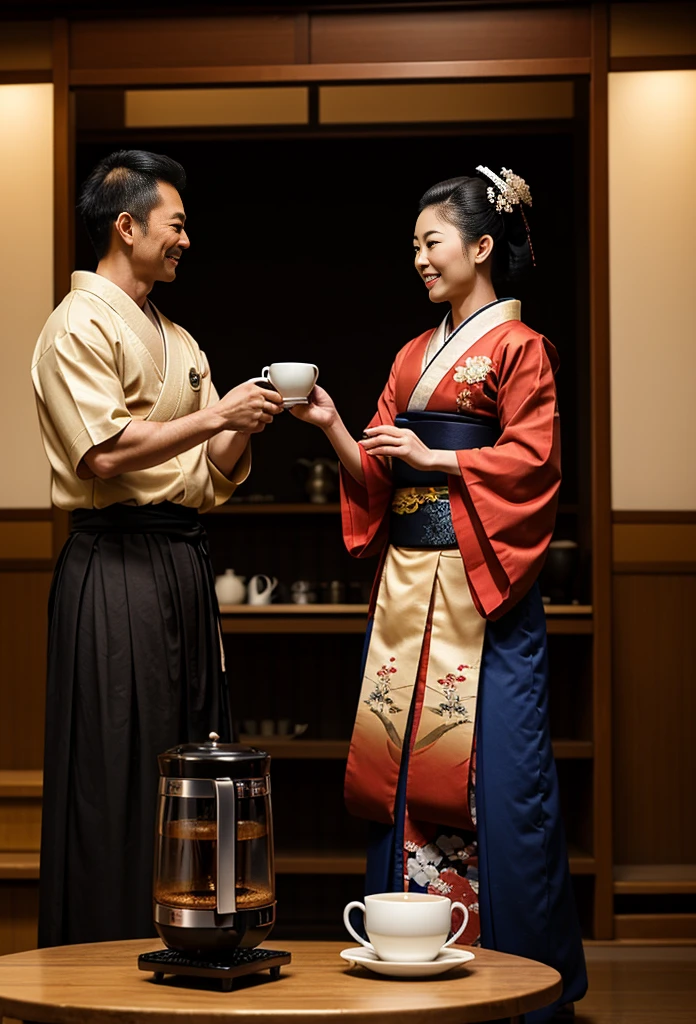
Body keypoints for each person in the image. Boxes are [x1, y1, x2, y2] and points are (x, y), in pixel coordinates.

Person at [292, 167, 587, 1021]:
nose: (419, 258)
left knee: (501, 780)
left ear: (482, 247)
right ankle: (410, 964)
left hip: (481, 594)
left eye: (432, 242)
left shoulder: (520, 350)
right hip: (409, 598)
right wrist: (335, 429)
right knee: (400, 779)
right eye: (415, 246)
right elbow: (379, 477)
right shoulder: (412, 357)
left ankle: (522, 982)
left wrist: (441, 460)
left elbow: (534, 464)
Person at [31, 150, 283, 947]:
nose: (184, 240)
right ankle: (104, 948)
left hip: (179, 562)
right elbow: (103, 456)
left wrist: (241, 427)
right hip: (114, 565)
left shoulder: (180, 338)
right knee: (119, 764)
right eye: (175, 225)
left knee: (192, 754)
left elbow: (207, 478)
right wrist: (215, 418)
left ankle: (199, 940)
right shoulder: (77, 324)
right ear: (127, 224)